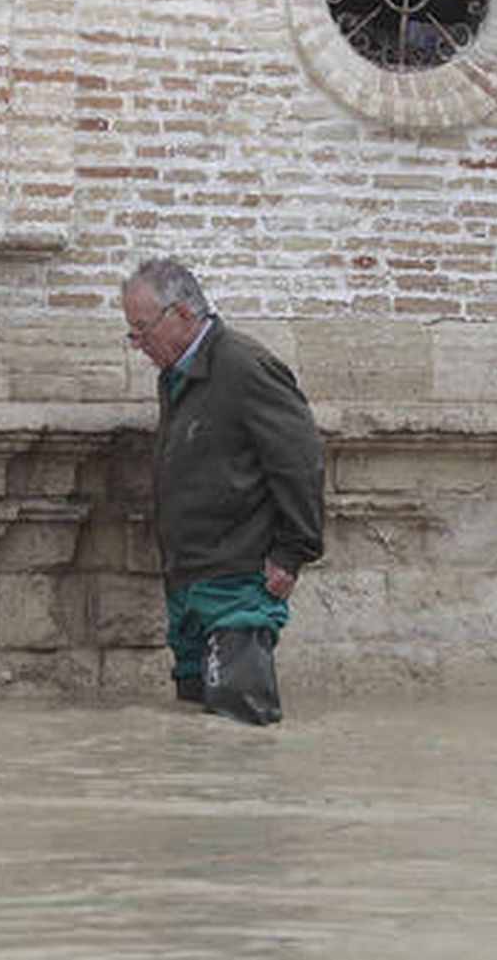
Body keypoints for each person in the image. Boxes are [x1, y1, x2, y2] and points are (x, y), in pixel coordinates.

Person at [121, 257, 325, 724]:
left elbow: (300, 461)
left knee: (240, 723)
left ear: (181, 314)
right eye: (131, 333)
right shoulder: (175, 374)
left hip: (238, 579)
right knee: (196, 719)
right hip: (188, 578)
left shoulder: (244, 366)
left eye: (142, 330)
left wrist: (294, 550)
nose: (137, 344)